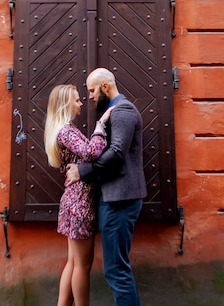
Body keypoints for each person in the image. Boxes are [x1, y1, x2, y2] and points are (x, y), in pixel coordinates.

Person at [66, 68, 147, 306]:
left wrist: (83, 171)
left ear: (104, 87)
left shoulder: (123, 111)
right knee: (116, 269)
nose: (89, 96)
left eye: (91, 90)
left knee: (116, 271)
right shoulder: (116, 111)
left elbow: (117, 153)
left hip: (120, 201)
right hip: (114, 199)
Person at [44, 84, 113, 306]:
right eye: (76, 100)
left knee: (73, 263)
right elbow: (91, 152)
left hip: (73, 200)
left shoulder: (62, 130)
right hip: (80, 202)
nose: (81, 103)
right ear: (66, 105)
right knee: (82, 264)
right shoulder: (67, 131)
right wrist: (101, 125)